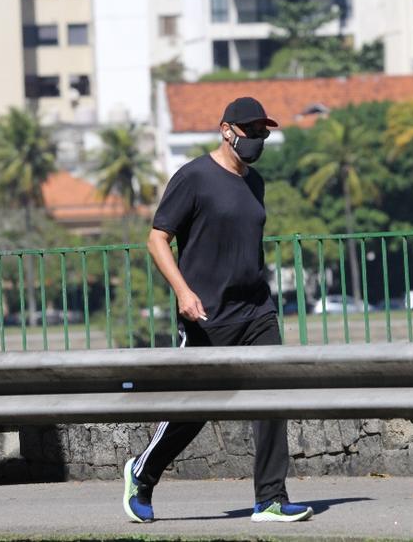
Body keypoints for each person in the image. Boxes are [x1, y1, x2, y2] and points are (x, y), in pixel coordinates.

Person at [121, 97, 313, 524]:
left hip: (256, 309)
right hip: (207, 314)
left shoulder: (254, 183)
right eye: (251, 132)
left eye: (264, 133)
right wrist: (183, 292)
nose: (258, 140)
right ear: (227, 130)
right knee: (198, 407)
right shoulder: (193, 177)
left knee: (272, 397)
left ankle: (270, 498)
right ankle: (142, 472)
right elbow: (157, 238)